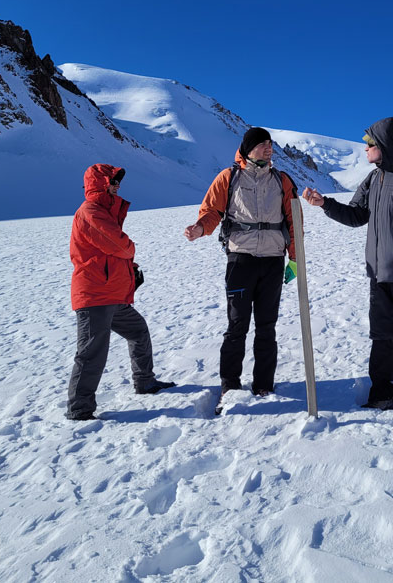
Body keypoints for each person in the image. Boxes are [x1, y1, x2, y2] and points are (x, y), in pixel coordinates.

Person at [302, 117, 393, 427]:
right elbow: (356, 216)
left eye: (370, 142)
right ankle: (381, 395)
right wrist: (324, 204)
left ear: (385, 144)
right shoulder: (374, 179)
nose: (365, 148)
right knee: (381, 335)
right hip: (379, 274)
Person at [184, 127, 298, 401]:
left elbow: (294, 220)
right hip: (241, 259)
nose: (269, 149)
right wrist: (201, 228)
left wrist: (295, 259)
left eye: (270, 144)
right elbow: (212, 210)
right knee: (237, 326)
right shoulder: (229, 177)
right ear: (248, 148)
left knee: (267, 326)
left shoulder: (281, 180)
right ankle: (230, 384)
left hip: (272, 260)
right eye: (262, 144)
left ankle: (263, 384)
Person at [66, 163, 174, 420]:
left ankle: (145, 381)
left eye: (118, 182)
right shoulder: (91, 212)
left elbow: (112, 253)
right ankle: (79, 409)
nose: (117, 186)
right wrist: (131, 250)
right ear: (101, 184)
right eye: (113, 182)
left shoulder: (103, 211)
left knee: (138, 331)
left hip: (111, 294)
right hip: (95, 295)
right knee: (92, 352)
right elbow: (120, 246)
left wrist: (130, 270)